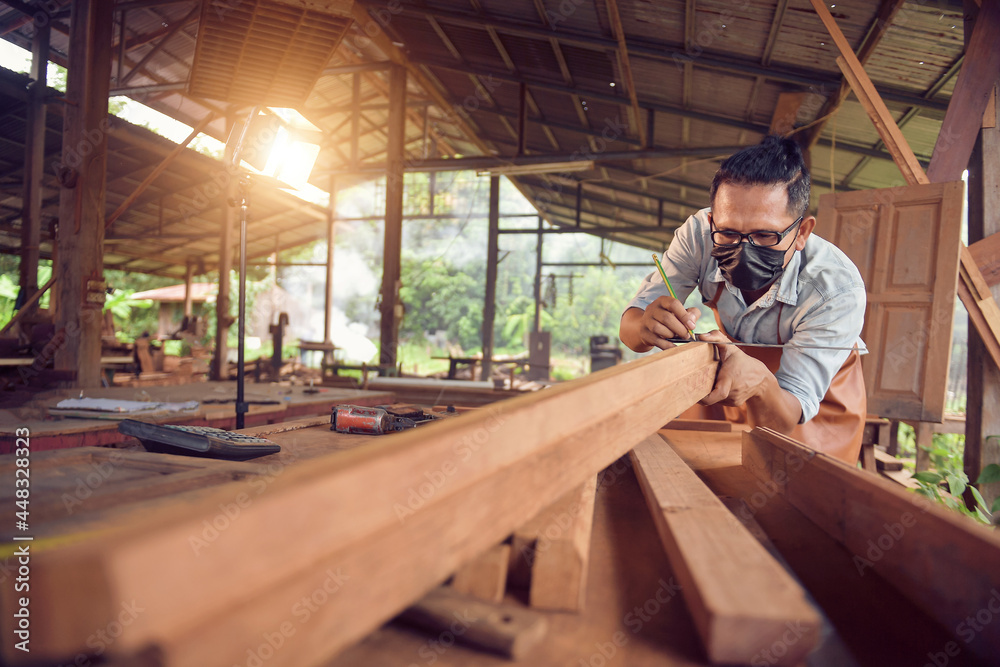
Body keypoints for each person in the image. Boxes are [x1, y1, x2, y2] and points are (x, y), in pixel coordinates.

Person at [619, 136, 867, 464]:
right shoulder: (699, 235)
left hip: (807, 402)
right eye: (729, 234)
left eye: (766, 236)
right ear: (711, 223)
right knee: (693, 463)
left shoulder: (836, 289)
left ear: (802, 233)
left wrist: (763, 381)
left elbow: (783, 420)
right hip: (736, 367)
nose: (745, 249)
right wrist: (646, 324)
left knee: (801, 487)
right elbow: (631, 333)